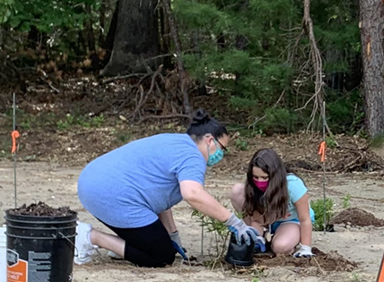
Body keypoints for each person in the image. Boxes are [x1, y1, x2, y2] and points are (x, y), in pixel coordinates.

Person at [74, 110, 266, 268]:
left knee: (161, 242)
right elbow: (193, 194)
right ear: (209, 140)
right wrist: (234, 222)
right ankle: (90, 236)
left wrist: (172, 233)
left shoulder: (175, 141)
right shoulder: (193, 156)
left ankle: (125, 245)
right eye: (223, 148)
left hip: (92, 184)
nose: (222, 154)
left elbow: (158, 192)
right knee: (161, 256)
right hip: (112, 195)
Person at [228, 148, 317, 257]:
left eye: (264, 178)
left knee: (280, 247)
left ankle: (288, 240)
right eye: (255, 177)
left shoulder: (293, 184)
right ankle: (257, 238)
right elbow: (255, 214)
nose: (259, 182)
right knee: (237, 191)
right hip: (265, 218)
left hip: (291, 220)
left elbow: (305, 218)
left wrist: (306, 248)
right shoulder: (253, 186)